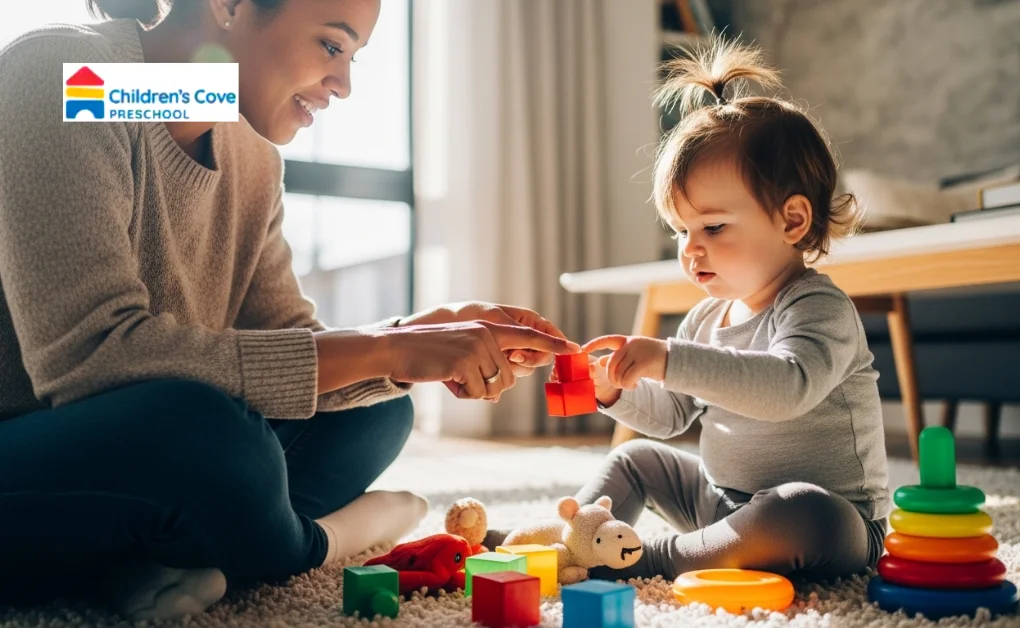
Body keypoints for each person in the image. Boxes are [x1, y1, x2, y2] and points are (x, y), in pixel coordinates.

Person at [0, 0, 580, 620]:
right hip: (33, 447)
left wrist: (409, 340)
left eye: (353, 58)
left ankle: (170, 555)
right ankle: (315, 543)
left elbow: (291, 344)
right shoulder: (73, 78)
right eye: (332, 46)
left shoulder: (250, 157)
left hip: (137, 467)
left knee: (376, 409)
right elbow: (92, 360)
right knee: (211, 436)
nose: (345, 85)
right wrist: (388, 347)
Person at [488, 39, 891, 583]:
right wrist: (615, 391)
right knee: (636, 459)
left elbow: (788, 388)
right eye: (681, 229)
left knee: (800, 509)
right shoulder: (706, 317)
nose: (690, 248)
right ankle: (572, 542)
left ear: (792, 221)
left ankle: (650, 559)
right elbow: (672, 416)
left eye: (713, 227)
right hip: (721, 503)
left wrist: (668, 359)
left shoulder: (818, 307)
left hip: (831, 522)